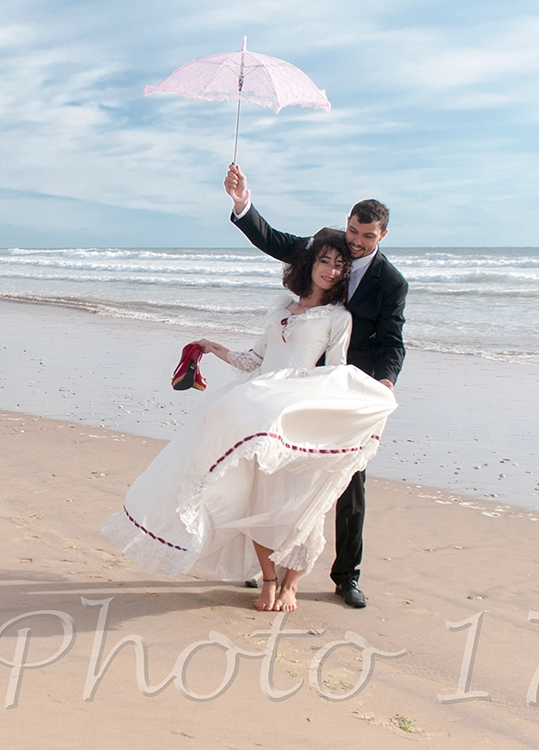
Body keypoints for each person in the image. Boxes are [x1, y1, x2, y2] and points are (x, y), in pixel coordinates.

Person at [102, 232, 398, 612]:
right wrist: (214, 347)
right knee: (259, 498)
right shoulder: (280, 310)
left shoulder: (338, 317)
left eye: (340, 265)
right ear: (310, 264)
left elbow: (335, 372)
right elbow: (255, 360)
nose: (331, 270)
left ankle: (291, 584)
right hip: (257, 409)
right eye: (325, 261)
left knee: (299, 500)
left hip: (294, 414)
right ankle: (269, 580)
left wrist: (371, 392)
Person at [224, 164, 407, 609]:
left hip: (344, 384)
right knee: (273, 473)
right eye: (352, 231)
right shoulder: (324, 249)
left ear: (383, 235)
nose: (355, 242)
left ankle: (346, 576)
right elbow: (276, 242)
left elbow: (391, 339)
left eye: (366, 236)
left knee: (346, 482)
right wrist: (242, 203)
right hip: (293, 379)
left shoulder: (391, 282)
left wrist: (383, 382)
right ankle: (262, 567)